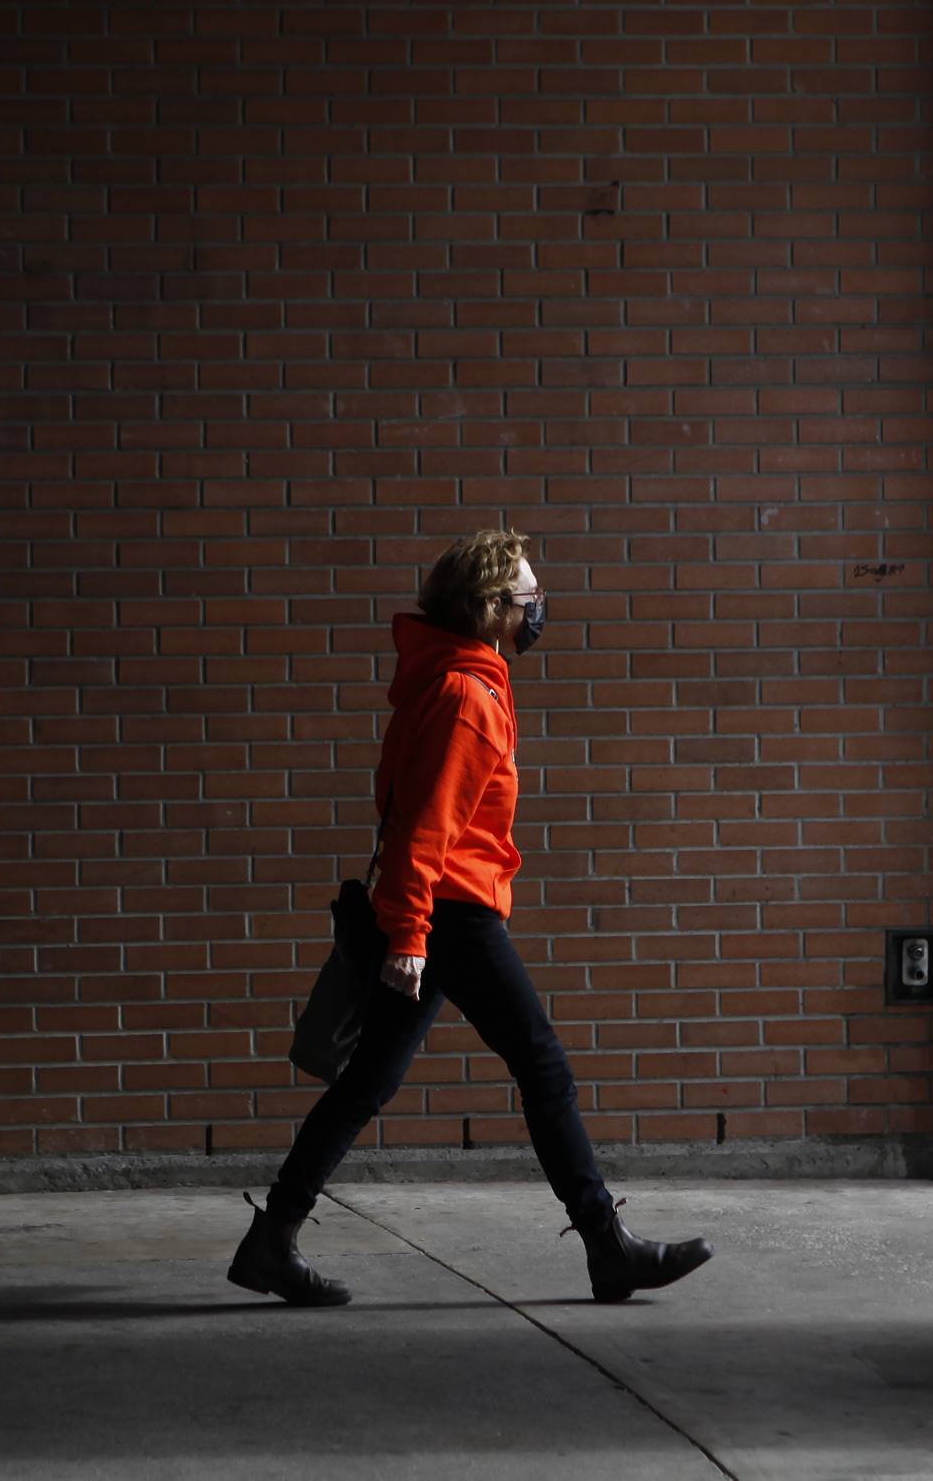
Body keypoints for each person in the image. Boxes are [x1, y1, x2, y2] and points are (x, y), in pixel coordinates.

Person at [228, 528, 713, 1307]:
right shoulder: (465, 696)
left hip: (439, 909)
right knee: (543, 1066)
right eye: (528, 595)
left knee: (366, 1082)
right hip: (451, 912)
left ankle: (272, 1239)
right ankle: (608, 1247)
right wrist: (411, 935)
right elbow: (424, 827)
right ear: (490, 606)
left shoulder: (456, 680)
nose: (538, 606)